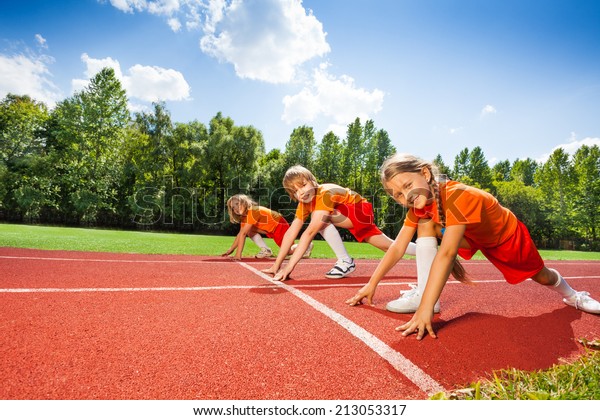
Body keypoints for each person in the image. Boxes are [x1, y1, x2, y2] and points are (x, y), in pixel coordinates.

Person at [346, 153, 600, 340]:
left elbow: (446, 253)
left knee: (541, 276)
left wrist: (425, 313)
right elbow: (397, 247)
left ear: (425, 173)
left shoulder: (457, 195)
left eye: (408, 186)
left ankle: (573, 295)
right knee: (425, 225)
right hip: (473, 236)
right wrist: (372, 283)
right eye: (397, 195)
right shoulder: (420, 206)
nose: (405, 196)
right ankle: (425, 294)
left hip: (505, 237)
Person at [262, 165, 417, 281]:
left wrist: (288, 268)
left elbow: (309, 233)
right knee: (390, 246)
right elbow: (291, 232)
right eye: (295, 191)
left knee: (321, 219)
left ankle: (345, 261)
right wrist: (277, 265)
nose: (301, 192)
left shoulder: (324, 194)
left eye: (303, 185)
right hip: (351, 216)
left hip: (359, 210)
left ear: (312, 181)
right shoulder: (304, 203)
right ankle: (427, 251)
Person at [222, 194, 314, 260]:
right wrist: (231, 249)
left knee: (288, 252)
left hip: (279, 224)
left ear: (244, 202)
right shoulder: (245, 217)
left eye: (237, 204)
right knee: (249, 230)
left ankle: (307, 245)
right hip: (270, 229)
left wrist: (238, 255)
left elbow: (242, 234)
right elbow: (240, 234)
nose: (236, 208)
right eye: (233, 207)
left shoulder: (253, 211)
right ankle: (266, 250)